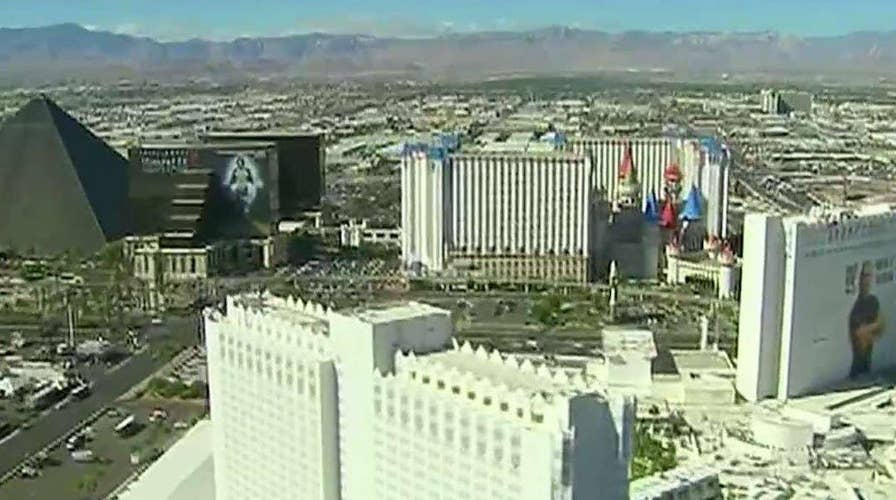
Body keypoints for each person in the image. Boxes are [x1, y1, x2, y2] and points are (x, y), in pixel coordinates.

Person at [848, 261, 885, 377]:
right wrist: (874, 327)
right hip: (857, 367)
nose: (866, 280)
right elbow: (860, 333)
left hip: (869, 364)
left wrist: (873, 328)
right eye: (864, 276)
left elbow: (882, 325)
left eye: (869, 275)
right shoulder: (856, 306)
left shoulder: (873, 301)